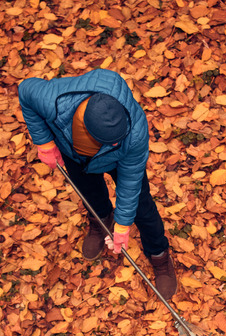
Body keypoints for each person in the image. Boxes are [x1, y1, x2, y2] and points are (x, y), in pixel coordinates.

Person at [17, 68, 177, 300]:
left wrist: (123, 225)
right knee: (89, 191)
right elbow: (25, 91)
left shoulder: (135, 135)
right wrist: (45, 142)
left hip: (122, 158)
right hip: (74, 154)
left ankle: (159, 256)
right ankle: (101, 220)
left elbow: (129, 182)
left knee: (142, 207)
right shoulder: (52, 101)